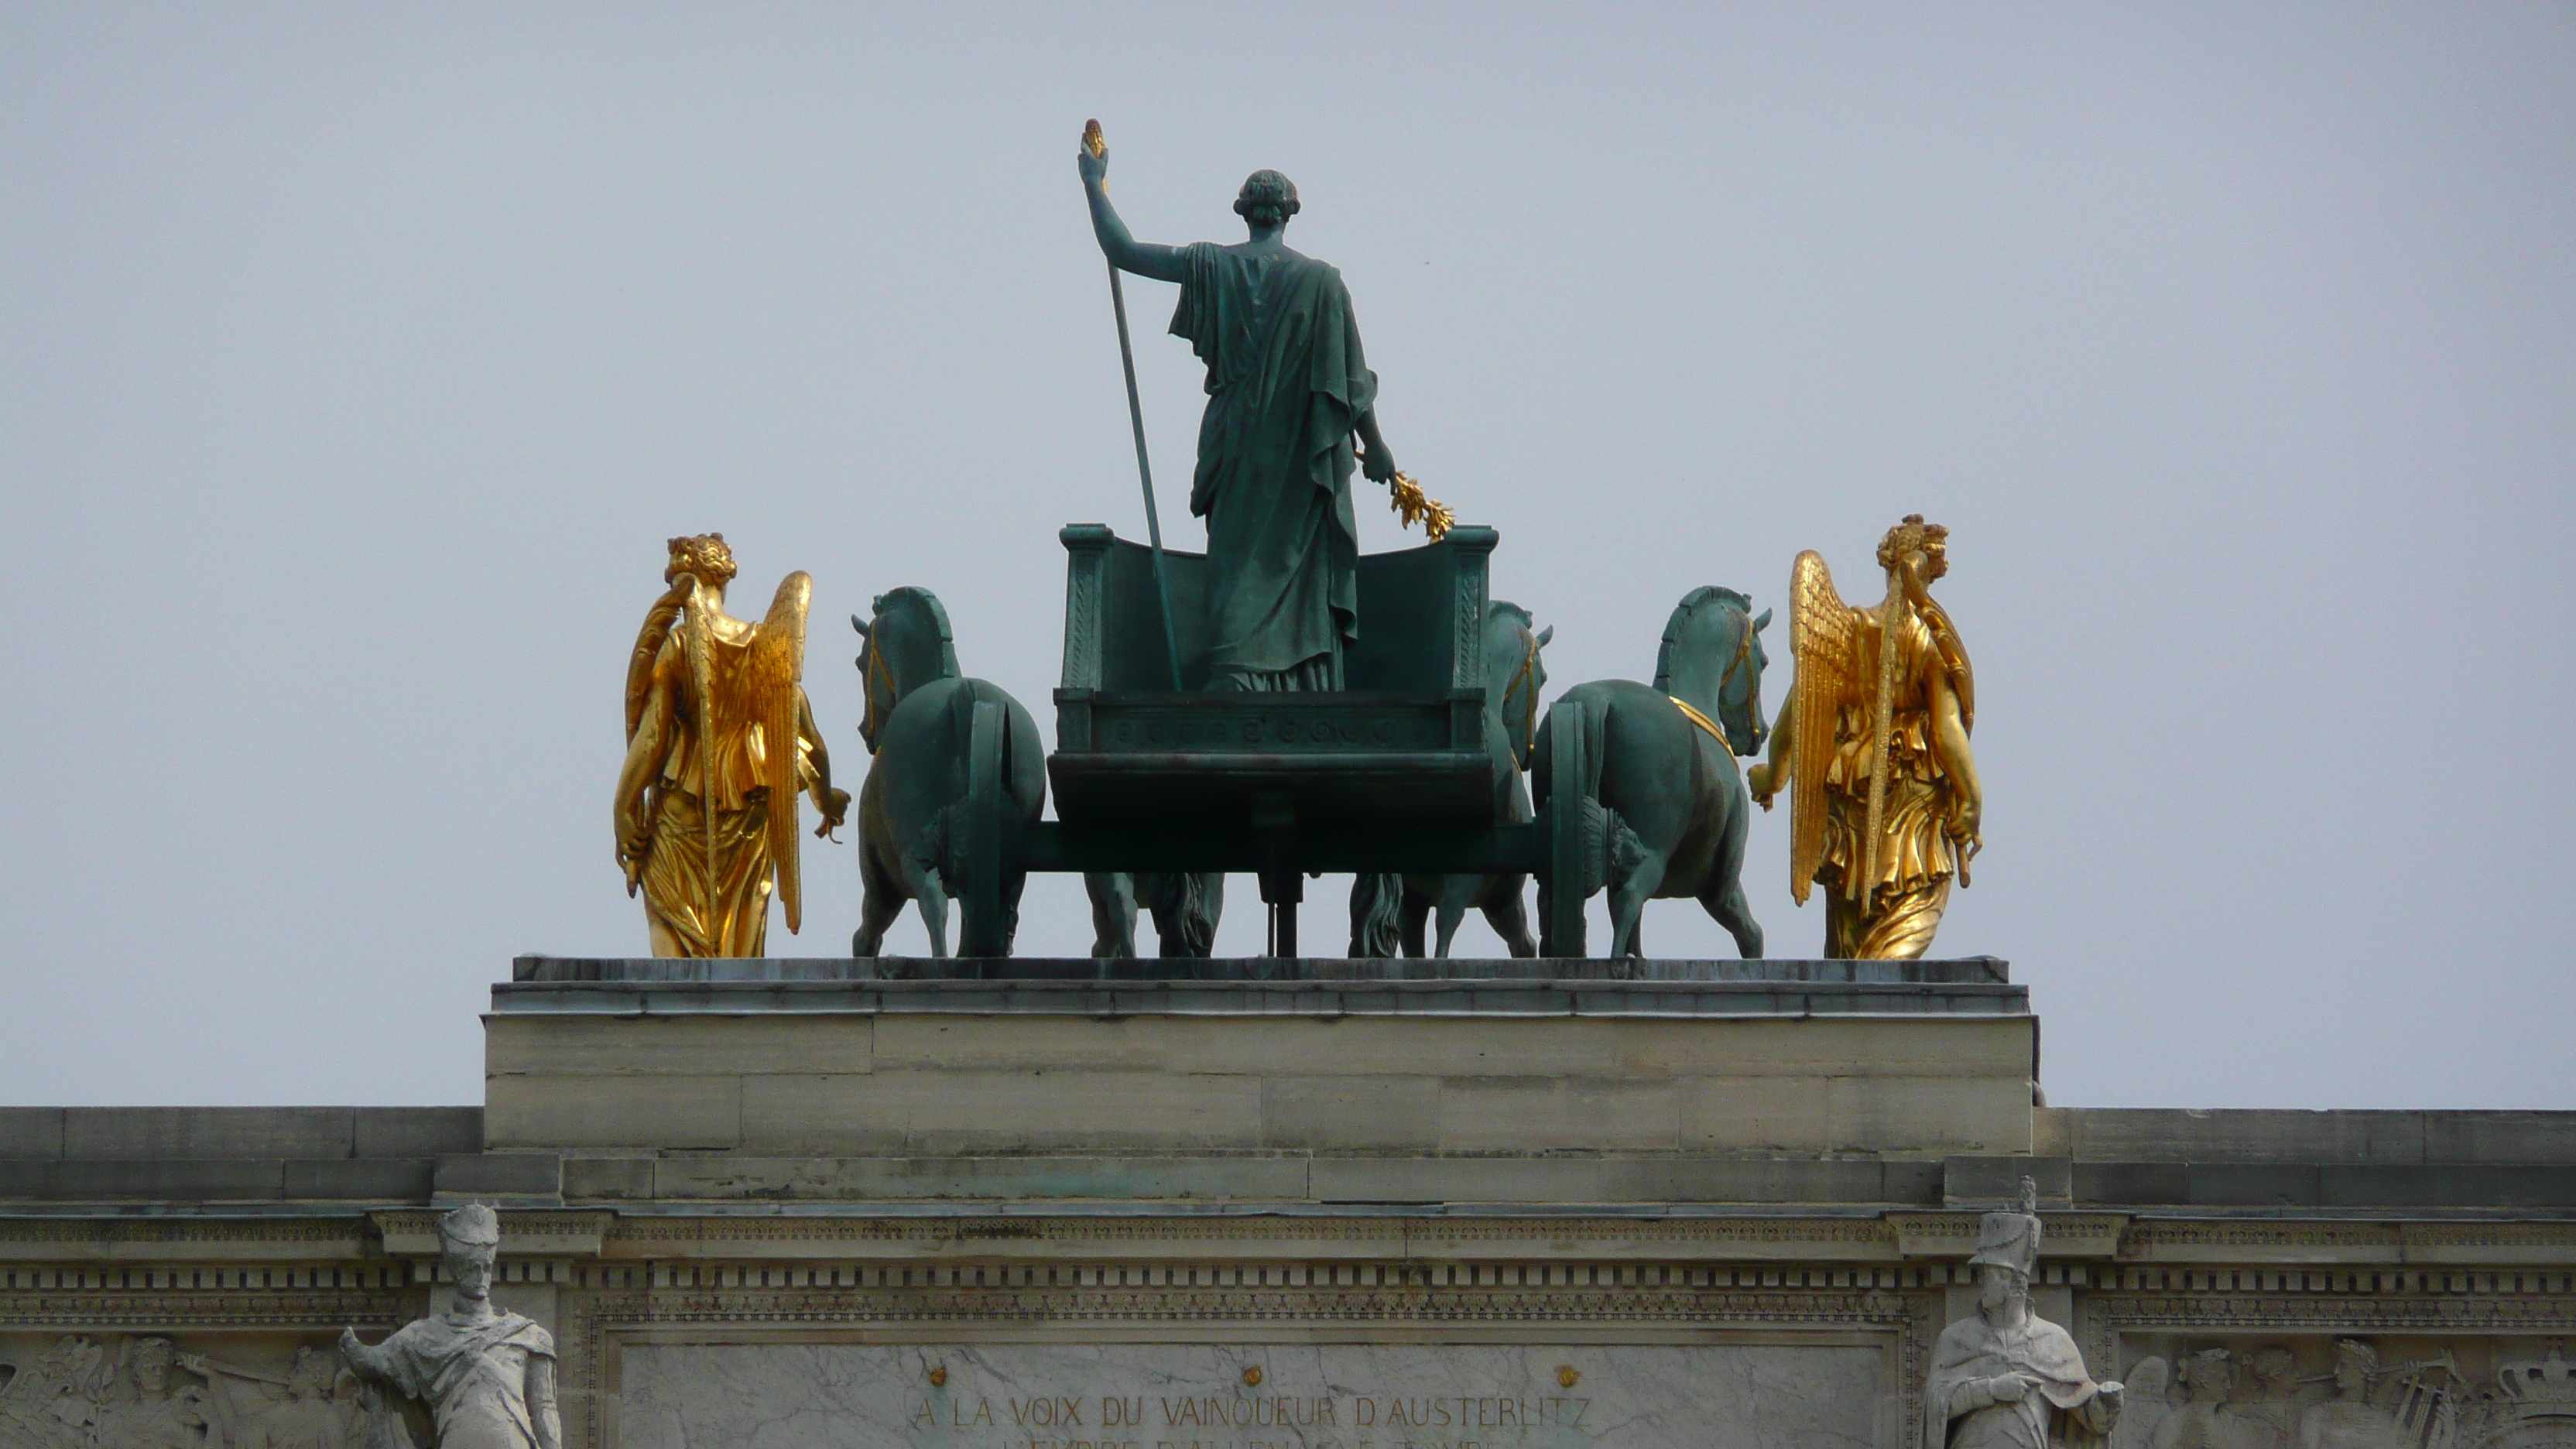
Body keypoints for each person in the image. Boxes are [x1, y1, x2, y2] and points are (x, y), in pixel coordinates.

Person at [1078, 141, 1400, 691]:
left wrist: (1093, 183)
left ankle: (1235, 671)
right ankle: (1299, 680)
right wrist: (1379, 447)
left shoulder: (1212, 264)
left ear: (1244, 212)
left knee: (1234, 556)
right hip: (1302, 448)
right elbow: (1350, 384)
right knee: (1291, 560)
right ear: (1290, 215)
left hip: (1238, 438)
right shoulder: (1323, 282)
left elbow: (1123, 250)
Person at [1752, 516, 1981, 959]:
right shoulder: (1928, 640)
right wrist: (1972, 800)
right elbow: (1946, 729)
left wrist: (1773, 777)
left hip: (1849, 798)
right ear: (1922, 569)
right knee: (1903, 929)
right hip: (1912, 803)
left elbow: (1800, 706)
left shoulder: (1850, 630)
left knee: (1849, 947)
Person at [614, 533, 849, 957]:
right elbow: (809, 739)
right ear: (721, 581)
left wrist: (623, 809)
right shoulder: (765, 646)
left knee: (670, 920)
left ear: (685, 581)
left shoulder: (677, 646)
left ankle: (676, 1019)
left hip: (682, 809)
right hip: (751, 810)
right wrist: (825, 798)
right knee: (743, 932)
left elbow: (652, 741)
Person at [341, 1203, 559, 1449]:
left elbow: (543, 1408)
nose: (479, 1276)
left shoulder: (527, 1335)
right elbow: (372, 1361)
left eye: (485, 1268)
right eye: (470, 1268)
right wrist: (351, 1347)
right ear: (455, 1271)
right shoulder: (423, 1336)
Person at [1925, 1182, 2122, 1448]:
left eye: (1989, 1273)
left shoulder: (2053, 1340)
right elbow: (1935, 1404)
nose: (1981, 1280)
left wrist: (2108, 1402)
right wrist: (1992, 1390)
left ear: (2015, 1282)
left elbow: (2090, 1417)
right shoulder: (1956, 1338)